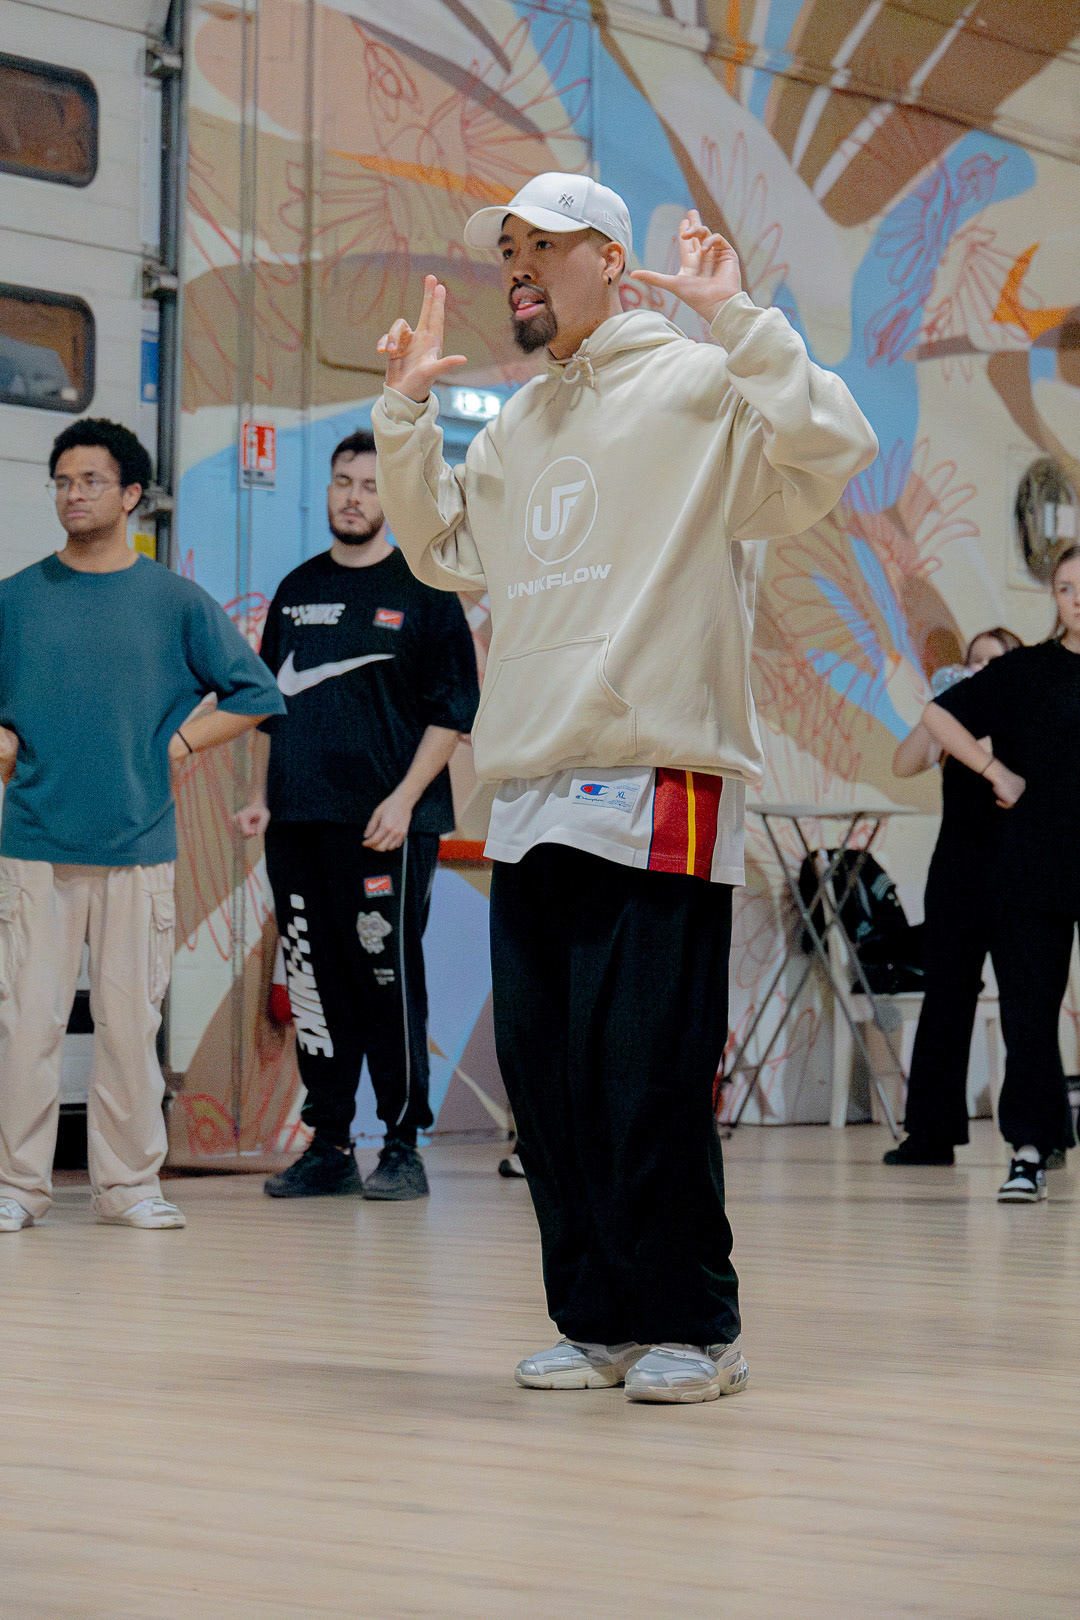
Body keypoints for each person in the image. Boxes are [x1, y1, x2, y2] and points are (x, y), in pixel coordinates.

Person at [372, 172, 877, 1401]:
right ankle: (597, 1319)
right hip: (532, 785)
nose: (518, 267)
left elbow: (833, 444)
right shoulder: (516, 429)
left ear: (608, 257)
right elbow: (440, 549)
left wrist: (737, 316)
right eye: (508, 249)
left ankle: (697, 1328)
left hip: (659, 777)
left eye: (544, 245)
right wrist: (404, 412)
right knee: (549, 1084)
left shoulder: (700, 383)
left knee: (645, 1073)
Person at [0, 418, 284, 1232]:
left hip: (138, 845)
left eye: (90, 481)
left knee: (130, 1029)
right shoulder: (15, 599)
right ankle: (18, 1187)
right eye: (62, 482)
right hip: (35, 846)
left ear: (131, 495)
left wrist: (181, 742)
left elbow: (256, 693)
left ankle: (128, 1187)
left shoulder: (175, 602)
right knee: (26, 1028)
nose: (73, 495)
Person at [235, 430, 479, 1201]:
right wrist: (261, 798)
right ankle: (330, 1145)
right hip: (297, 823)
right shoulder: (296, 589)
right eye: (343, 481)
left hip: (388, 826)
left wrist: (404, 800)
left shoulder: (425, 589)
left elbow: (453, 712)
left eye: (370, 485)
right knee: (314, 982)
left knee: (386, 981)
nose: (353, 496)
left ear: (391, 498)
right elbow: (269, 706)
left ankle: (402, 1146)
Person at [913, 545, 1080, 1202]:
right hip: (1035, 868)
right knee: (1030, 1015)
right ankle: (1029, 1151)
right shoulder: (1027, 671)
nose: (1076, 598)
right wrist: (994, 771)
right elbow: (938, 715)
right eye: (1065, 587)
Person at [884, 627, 1022, 1167]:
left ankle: (1041, 1134)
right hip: (957, 875)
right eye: (974, 662)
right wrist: (939, 710)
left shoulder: (1022, 722)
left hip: (1015, 875)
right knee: (945, 998)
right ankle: (930, 1134)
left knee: (1026, 1004)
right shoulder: (953, 721)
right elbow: (903, 763)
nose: (980, 671)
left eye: (993, 663)